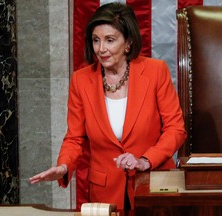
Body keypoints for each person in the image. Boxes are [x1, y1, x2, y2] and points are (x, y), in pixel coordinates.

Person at [29, 2, 187, 211]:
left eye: (109, 40)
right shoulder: (81, 80)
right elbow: (75, 137)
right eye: (96, 40)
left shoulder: (155, 72)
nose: (101, 49)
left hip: (152, 185)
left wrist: (145, 160)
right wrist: (64, 165)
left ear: (128, 42)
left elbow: (175, 129)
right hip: (104, 193)